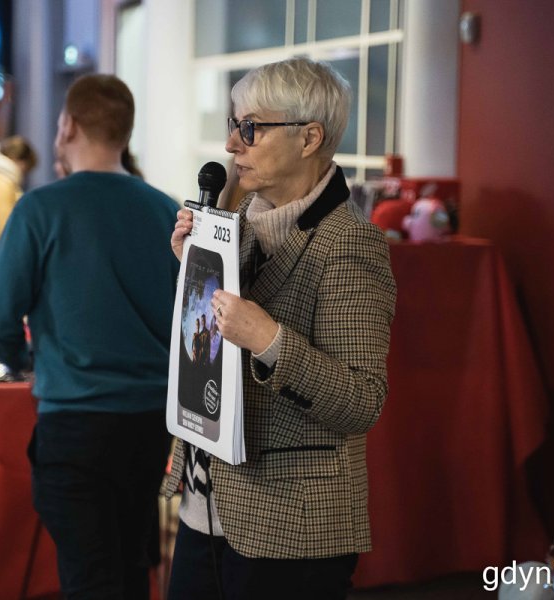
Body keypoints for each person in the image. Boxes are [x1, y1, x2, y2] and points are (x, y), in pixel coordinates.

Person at [165, 57, 397, 600]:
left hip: (290, 527)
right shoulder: (234, 227)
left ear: (310, 137)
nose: (231, 145)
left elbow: (363, 400)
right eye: (232, 126)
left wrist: (269, 339)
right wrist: (192, 272)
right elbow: (208, 345)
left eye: (250, 128)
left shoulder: (351, 245)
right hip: (207, 504)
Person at [0, 73, 179, 600]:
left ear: (67, 125)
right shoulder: (170, 212)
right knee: (133, 565)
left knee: (90, 575)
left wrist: (26, 362)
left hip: (76, 419)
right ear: (126, 133)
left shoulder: (40, 209)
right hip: (150, 423)